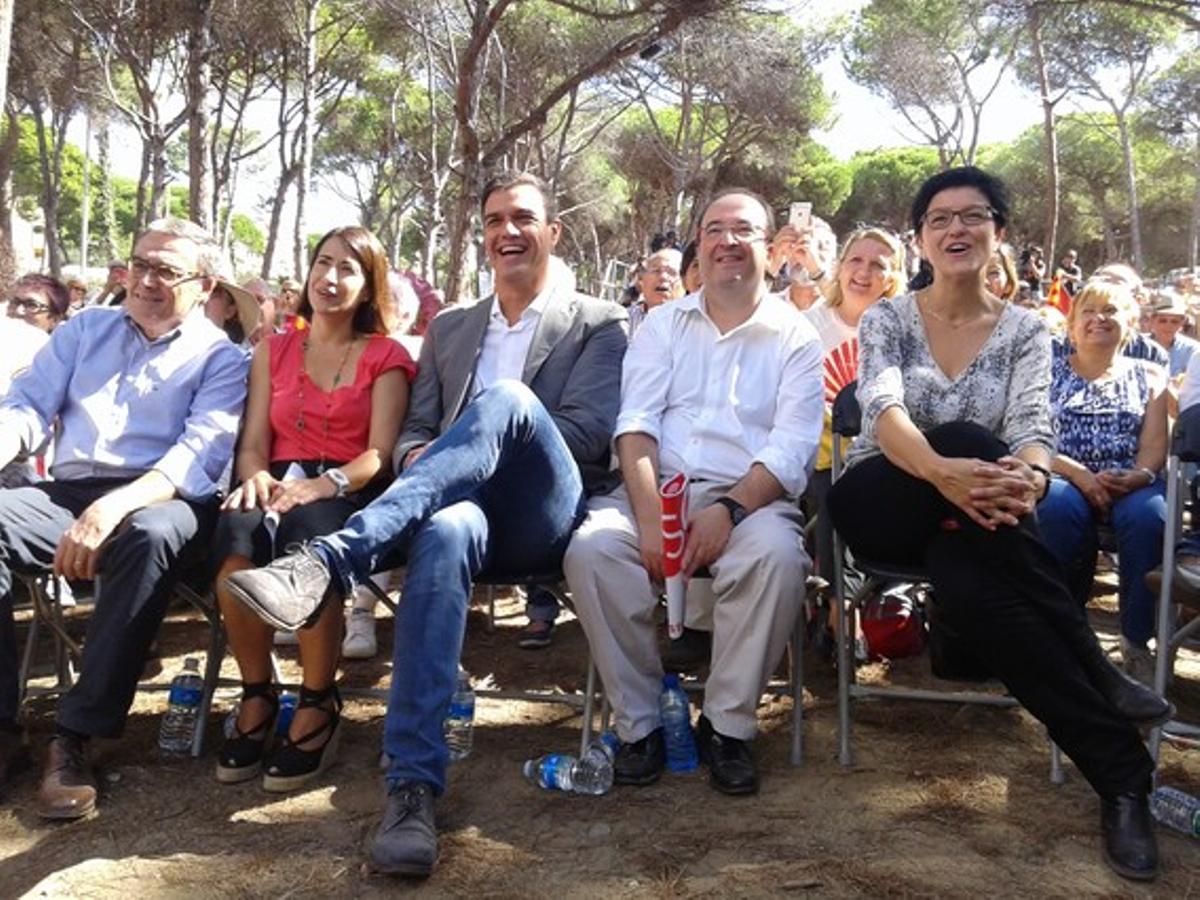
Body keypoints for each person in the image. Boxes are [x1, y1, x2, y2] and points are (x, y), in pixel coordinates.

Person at [222, 171, 627, 878]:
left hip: (541, 506)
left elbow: (589, 434)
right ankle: (411, 787)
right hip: (454, 508)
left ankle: (331, 559)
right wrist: (433, 459)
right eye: (495, 218)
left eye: (524, 218)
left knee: (506, 399)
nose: (509, 231)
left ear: (552, 233)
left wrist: (480, 444)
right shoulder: (451, 327)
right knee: (442, 534)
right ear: (482, 234)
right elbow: (412, 433)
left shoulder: (598, 321)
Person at [827, 167, 1168, 882]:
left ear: (998, 233)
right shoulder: (889, 317)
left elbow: (1034, 431)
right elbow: (885, 414)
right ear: (920, 239)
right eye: (939, 219)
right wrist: (949, 470)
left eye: (973, 216)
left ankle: (1123, 783)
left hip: (974, 519)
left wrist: (1035, 476)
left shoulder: (1024, 330)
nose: (957, 229)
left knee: (984, 593)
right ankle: (1092, 660)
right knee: (969, 441)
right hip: (880, 497)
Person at [564, 188, 822, 796]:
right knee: (594, 550)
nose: (727, 242)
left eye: (744, 230)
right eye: (713, 230)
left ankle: (728, 728)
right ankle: (641, 724)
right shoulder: (661, 324)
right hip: (656, 489)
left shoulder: (798, 337)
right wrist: (655, 520)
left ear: (771, 248)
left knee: (778, 559)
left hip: (750, 496)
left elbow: (791, 448)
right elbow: (636, 425)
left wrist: (728, 510)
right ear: (698, 244)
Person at [0, 218, 248, 818]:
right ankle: (3, 729)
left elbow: (198, 456)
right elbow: (27, 407)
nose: (146, 280)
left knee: (148, 533)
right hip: (68, 490)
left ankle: (77, 736)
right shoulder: (86, 329)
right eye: (140, 264)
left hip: (167, 499)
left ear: (204, 283)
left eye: (167, 270)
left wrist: (112, 507)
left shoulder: (222, 356)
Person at [212, 227, 414, 790]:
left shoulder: (386, 356)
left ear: (369, 285)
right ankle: (257, 693)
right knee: (235, 541)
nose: (329, 278)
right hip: (276, 476)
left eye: (347, 269)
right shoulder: (271, 350)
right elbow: (253, 440)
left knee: (309, 542)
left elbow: (380, 452)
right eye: (322, 263)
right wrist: (254, 479)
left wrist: (325, 484)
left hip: (348, 484)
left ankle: (318, 700)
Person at [1035, 279, 1167, 685]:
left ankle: (1135, 638)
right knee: (1055, 511)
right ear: (1071, 325)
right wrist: (1078, 474)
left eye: (1111, 311)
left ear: (1129, 323)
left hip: (1129, 481)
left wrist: (1139, 476)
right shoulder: (1044, 372)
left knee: (1150, 520)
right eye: (1088, 312)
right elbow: (1030, 437)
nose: (1099, 320)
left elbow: (1153, 448)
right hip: (1061, 474)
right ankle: (1064, 636)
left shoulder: (1151, 377)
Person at [802, 227, 905, 588]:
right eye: (855, 261)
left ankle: (885, 600)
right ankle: (839, 602)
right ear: (840, 267)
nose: (863, 272)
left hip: (888, 455)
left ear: (892, 278)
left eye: (878, 265)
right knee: (834, 489)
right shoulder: (808, 325)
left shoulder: (903, 330)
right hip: (823, 458)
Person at [627, 247, 683, 336]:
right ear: (642, 279)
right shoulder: (623, 321)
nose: (663, 277)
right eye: (656, 271)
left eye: (672, 272)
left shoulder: (695, 324)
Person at [1146, 291, 1198, 378]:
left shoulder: (1193, 350)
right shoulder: (1135, 345)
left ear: (1182, 323)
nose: (1168, 325)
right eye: (1162, 320)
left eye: (1174, 321)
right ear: (1152, 320)